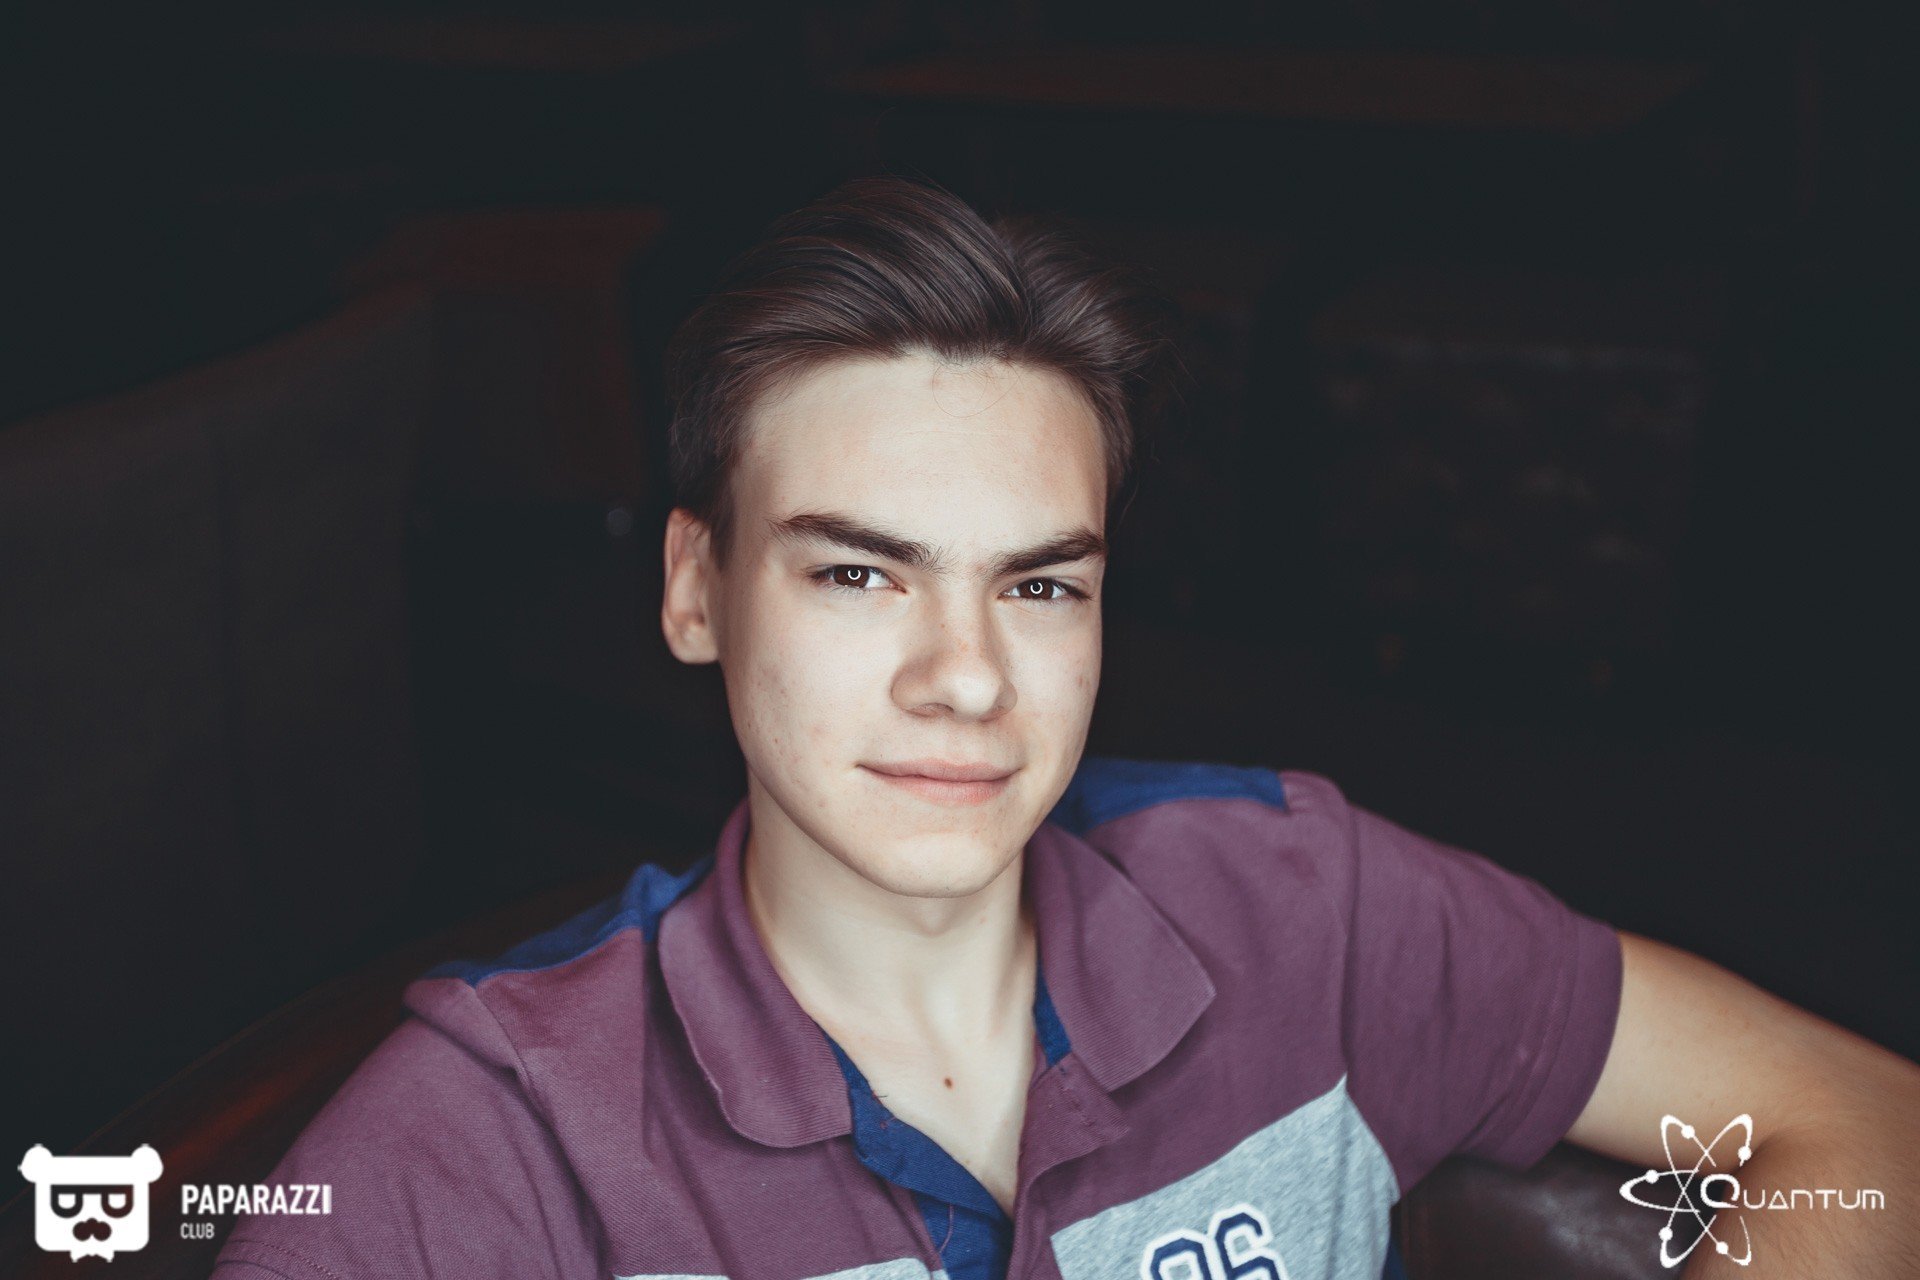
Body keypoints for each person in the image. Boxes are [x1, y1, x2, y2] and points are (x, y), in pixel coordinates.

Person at [211, 178, 1920, 1280]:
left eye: (1038, 586)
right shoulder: (488, 1150)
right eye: (861, 575)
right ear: (696, 592)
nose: (967, 677)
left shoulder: (1306, 907)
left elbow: (1863, 1135)